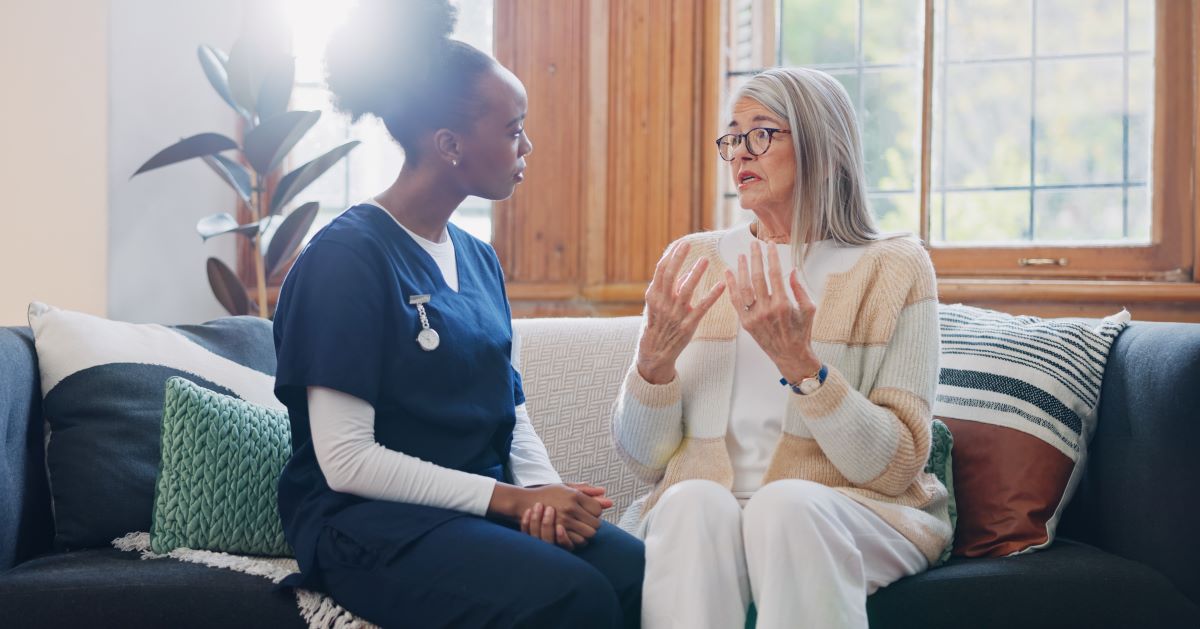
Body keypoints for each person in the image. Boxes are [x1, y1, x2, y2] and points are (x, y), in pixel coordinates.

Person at [271, 2, 643, 627]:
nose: (528, 145)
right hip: (368, 524)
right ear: (448, 145)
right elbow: (346, 460)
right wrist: (510, 502)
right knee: (575, 598)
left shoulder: (478, 259)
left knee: (637, 574)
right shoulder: (345, 260)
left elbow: (511, 412)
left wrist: (547, 500)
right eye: (512, 130)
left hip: (480, 510)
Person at [612, 67, 951, 629]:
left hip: (859, 510)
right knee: (692, 501)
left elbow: (895, 468)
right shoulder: (694, 259)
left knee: (785, 505)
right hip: (711, 511)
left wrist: (802, 365)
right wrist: (652, 365)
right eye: (733, 136)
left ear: (821, 145)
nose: (741, 152)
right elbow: (644, 460)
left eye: (762, 133)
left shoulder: (892, 266)